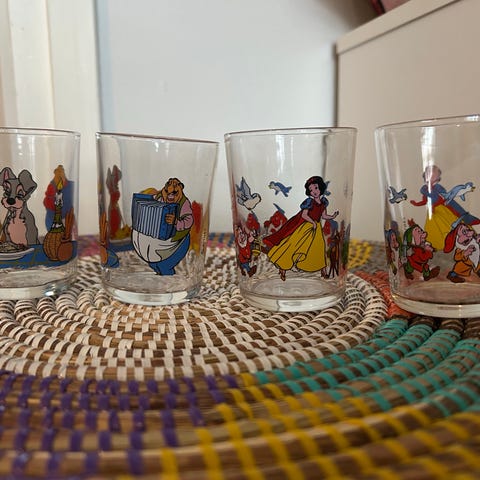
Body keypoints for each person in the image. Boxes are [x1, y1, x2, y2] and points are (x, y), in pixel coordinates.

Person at [262, 176, 338, 281]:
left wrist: (332, 216)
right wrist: (312, 222)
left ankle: (323, 271)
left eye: (316, 188)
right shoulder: (309, 202)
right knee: (293, 245)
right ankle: (283, 267)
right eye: (311, 190)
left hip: (316, 229)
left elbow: (324, 216)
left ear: (321, 187)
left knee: (319, 248)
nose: (314, 191)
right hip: (306, 227)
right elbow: (304, 215)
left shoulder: (323, 202)